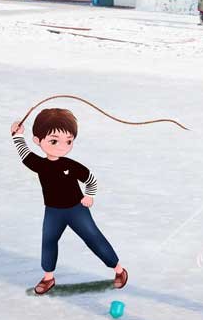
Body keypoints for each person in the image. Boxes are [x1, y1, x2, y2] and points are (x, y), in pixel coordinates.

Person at [11, 109, 128, 295]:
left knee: (93, 238)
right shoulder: (40, 165)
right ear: (38, 141)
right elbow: (24, 154)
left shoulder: (70, 165)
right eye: (54, 141)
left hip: (76, 210)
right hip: (53, 211)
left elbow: (90, 179)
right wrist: (17, 135)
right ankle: (48, 277)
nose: (61, 146)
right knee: (48, 241)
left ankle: (119, 270)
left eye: (68, 141)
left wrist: (89, 196)